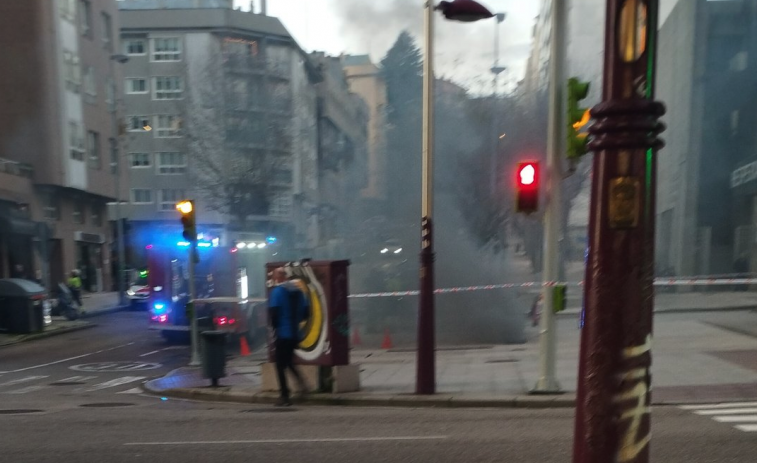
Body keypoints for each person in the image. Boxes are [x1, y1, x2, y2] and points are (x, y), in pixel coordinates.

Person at [268, 267, 309, 406]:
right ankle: (302, 384)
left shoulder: (277, 292)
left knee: (280, 365)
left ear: (278, 277)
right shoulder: (299, 292)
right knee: (289, 361)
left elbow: (273, 313)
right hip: (295, 334)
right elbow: (306, 313)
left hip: (283, 333)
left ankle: (284, 396)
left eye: (274, 276)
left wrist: (275, 329)